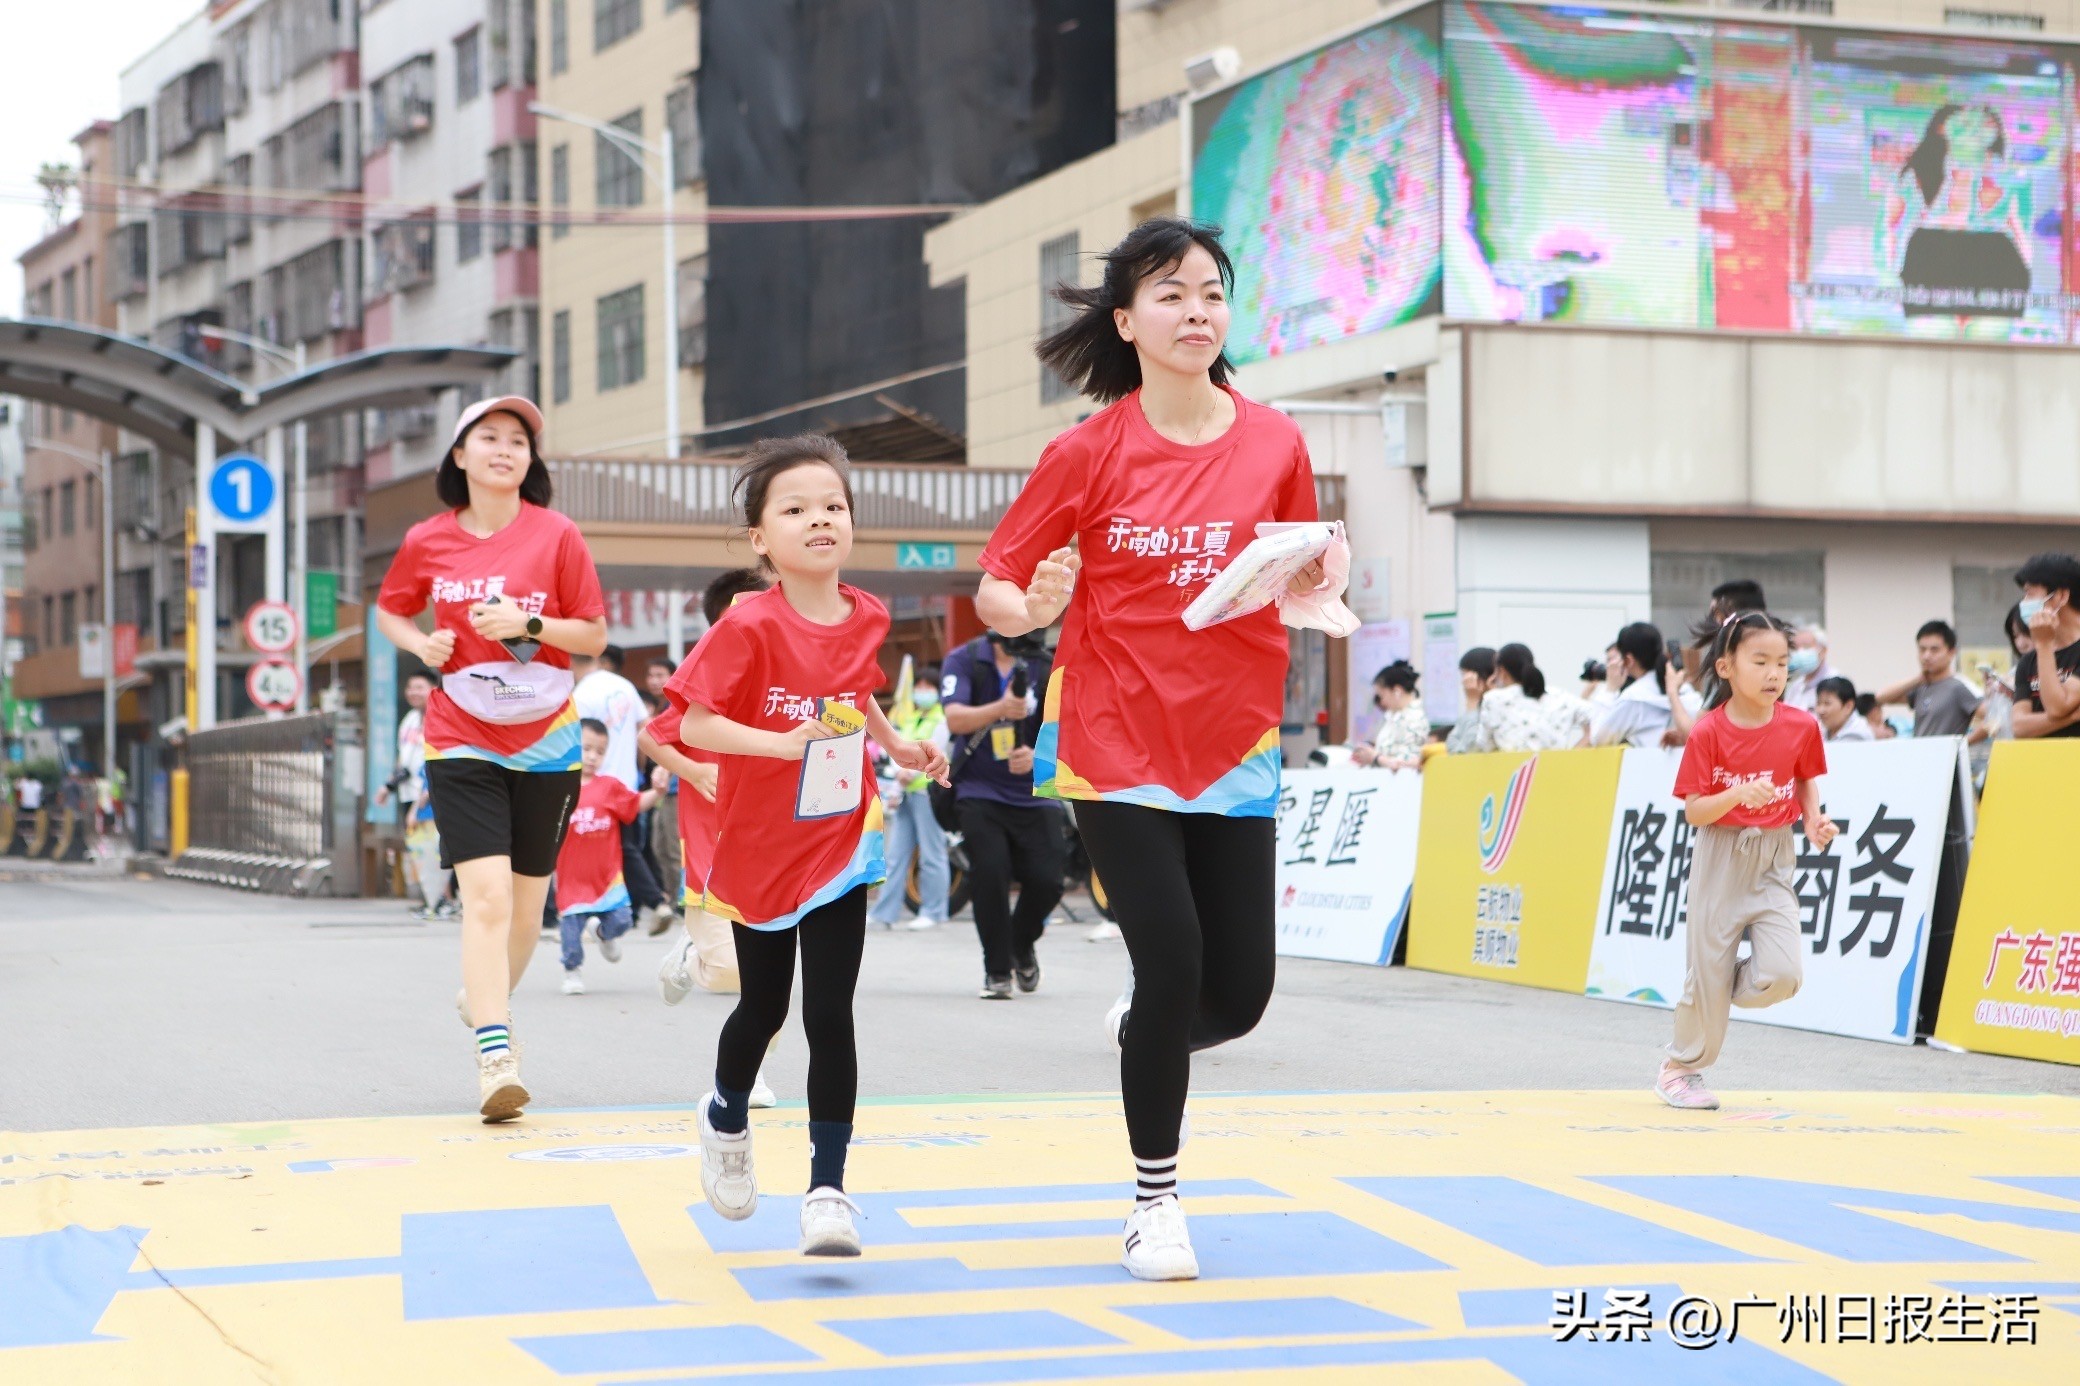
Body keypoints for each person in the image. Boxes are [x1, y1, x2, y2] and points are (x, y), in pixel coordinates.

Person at [975, 216, 1328, 1281]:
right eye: (1171, 296)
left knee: (1238, 997)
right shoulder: (1085, 452)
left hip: (1234, 739)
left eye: (1211, 293)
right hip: (1115, 735)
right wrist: (1019, 606)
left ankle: (1147, 1031)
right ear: (1126, 322)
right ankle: (1154, 1202)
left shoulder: (1275, 442)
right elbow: (1001, 581)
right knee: (1171, 955)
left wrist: (1315, 583)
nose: (1196, 313)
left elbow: (1302, 569)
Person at [666, 435, 947, 1258]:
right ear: (762, 540)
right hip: (760, 845)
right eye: (795, 508)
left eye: (832, 505)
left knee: (831, 1011)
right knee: (765, 1006)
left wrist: (893, 746)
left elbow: (854, 693)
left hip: (840, 836)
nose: (819, 519)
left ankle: (829, 1190)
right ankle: (724, 1114)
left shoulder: (867, 613)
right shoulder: (748, 623)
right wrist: (779, 743)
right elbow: (694, 723)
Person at [373, 395, 608, 1122]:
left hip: (548, 740)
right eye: (489, 438)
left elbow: (593, 637)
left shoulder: (558, 535)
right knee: (487, 899)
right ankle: (496, 1056)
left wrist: (529, 622)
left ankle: (481, 999)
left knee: (528, 915)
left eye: (518, 441)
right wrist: (421, 645)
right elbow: (391, 607)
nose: (505, 450)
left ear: (530, 462)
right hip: (461, 735)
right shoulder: (428, 540)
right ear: (460, 455)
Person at [1658, 612, 1838, 1111]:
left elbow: (1804, 780)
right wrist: (1736, 793)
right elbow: (1695, 810)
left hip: (1775, 856)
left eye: (1782, 662)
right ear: (1725, 667)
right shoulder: (1708, 732)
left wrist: (1813, 821)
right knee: (1706, 976)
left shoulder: (1802, 726)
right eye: (1759, 661)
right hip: (1721, 854)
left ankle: (1716, 985)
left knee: (1782, 975)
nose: (1774, 673)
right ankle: (1680, 1068)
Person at [643, 568, 779, 1109]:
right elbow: (652, 737)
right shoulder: (708, 677)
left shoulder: (782, 676)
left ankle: (755, 1076)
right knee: (727, 972)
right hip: (712, 853)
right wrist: (695, 773)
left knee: (770, 975)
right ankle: (692, 954)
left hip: (772, 849)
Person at [941, 631, 1063, 995]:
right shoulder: (965, 658)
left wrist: (1041, 756)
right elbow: (955, 719)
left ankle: (1020, 944)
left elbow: (1067, 724)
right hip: (979, 791)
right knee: (990, 874)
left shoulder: (1044, 662)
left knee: (1049, 879)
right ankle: (997, 970)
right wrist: (999, 708)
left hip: (1035, 793)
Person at [553, 719, 661, 994]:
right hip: (572, 877)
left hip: (607, 877)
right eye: (586, 748)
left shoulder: (610, 786)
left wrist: (658, 791)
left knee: (623, 918)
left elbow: (635, 804)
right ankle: (572, 970)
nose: (592, 756)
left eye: (599, 751)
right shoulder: (558, 788)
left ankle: (603, 933)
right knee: (571, 930)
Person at [572, 644, 672, 933]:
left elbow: (573, 742)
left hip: (593, 784)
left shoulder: (581, 694)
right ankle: (647, 904)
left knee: (600, 850)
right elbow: (646, 730)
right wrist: (640, 769)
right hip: (626, 782)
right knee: (627, 847)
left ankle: (633, 905)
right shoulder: (625, 686)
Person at [868, 663, 952, 931]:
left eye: (928, 687)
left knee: (932, 854)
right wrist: (900, 773)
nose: (922, 691)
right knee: (894, 856)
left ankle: (934, 911)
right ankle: (884, 913)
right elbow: (897, 747)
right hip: (904, 794)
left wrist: (908, 773)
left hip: (928, 792)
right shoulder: (911, 717)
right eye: (919, 687)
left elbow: (937, 754)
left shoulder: (942, 719)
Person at [377, 671, 451, 918]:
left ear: (433, 688)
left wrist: (422, 801)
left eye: (419, 687)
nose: (413, 692)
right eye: (410, 687)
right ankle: (433, 898)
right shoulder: (409, 719)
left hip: (433, 794)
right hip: (410, 793)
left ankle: (443, 900)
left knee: (437, 847)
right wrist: (388, 787)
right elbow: (404, 758)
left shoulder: (441, 717)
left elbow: (438, 761)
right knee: (421, 849)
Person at [1588, 623, 1694, 749]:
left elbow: (1599, 738)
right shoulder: (1683, 688)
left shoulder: (1634, 698)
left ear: (1628, 660)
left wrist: (1610, 689)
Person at [1871, 620, 1982, 739]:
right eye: (1922, 649)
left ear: (1951, 652)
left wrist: (1962, 744)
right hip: (1921, 755)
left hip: (1946, 756)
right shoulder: (1921, 686)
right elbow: (1881, 697)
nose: (1926, 656)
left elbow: (1992, 720)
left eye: (1934, 650)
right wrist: (1918, 679)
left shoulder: (1959, 686)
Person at [2012, 552, 2080, 739]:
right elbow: (2019, 727)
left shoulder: (2042, 649)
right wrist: (2072, 717)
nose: (2024, 603)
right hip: (2041, 764)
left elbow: (2058, 706)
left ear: (2060, 596)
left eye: (2029, 593)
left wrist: (2043, 644)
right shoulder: (2027, 662)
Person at [1470, 643, 1558, 752]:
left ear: (1502, 671)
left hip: (1514, 766)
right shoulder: (1554, 695)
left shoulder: (1493, 699)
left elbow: (1484, 745)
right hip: (1552, 763)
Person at [1352, 661, 1427, 771]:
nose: (1382, 702)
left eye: (1381, 696)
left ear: (1396, 691)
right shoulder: (1393, 717)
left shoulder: (1415, 720)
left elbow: (1409, 764)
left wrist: (1375, 758)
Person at [1444, 647, 1498, 753]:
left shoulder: (1495, 708)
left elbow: (1464, 750)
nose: (1463, 683)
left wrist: (1472, 703)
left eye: (1465, 675)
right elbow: (1450, 745)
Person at [1783, 626, 1839, 712]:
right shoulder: (1796, 686)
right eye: (1796, 648)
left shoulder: (1836, 682)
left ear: (1823, 650)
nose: (1800, 652)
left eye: (1806, 647)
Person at [1813, 676, 1873, 743]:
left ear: (1848, 706)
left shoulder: (1857, 735)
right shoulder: (1823, 730)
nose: (1821, 710)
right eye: (1818, 703)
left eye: (1827, 703)